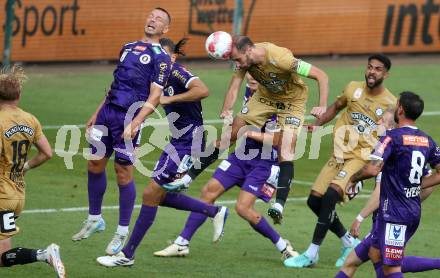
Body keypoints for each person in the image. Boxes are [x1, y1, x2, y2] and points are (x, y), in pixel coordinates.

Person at [165, 35, 329, 225]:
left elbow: (321, 75)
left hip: (293, 101)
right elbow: (235, 86)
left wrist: (322, 105)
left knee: (286, 149)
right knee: (230, 135)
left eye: (237, 59)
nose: (238, 64)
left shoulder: (280, 58)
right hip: (265, 97)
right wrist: (226, 109)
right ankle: (186, 179)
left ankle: (279, 204)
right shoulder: (243, 60)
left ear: (249, 51)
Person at [95, 38, 228, 267]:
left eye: (165, 57)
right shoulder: (153, 77)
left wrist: (170, 98)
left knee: (150, 194)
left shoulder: (177, 72)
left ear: (172, 57)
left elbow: (202, 90)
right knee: (159, 196)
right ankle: (213, 211)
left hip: (190, 140)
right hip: (177, 140)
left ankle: (127, 255)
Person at [153, 74, 298, 261]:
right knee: (208, 192)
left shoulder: (274, 101)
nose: (252, 78)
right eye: (249, 73)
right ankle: (182, 243)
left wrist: (245, 132)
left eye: (257, 75)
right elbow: (234, 85)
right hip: (240, 156)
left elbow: (277, 140)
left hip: (263, 162)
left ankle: (283, 246)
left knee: (243, 208)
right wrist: (227, 111)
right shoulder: (249, 90)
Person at [71, 7, 173, 256]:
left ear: (165, 29)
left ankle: (122, 230)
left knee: (123, 173)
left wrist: (136, 122)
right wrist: (97, 112)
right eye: (151, 15)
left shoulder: (161, 58)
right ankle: (95, 218)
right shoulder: (127, 47)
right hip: (108, 112)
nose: (152, 19)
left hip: (129, 118)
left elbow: (155, 95)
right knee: (94, 164)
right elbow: (114, 85)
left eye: (159, 19)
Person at [284, 54, 397, 268]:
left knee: (330, 197)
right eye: (370, 67)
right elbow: (336, 107)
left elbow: (392, 136)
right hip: (338, 154)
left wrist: (377, 165)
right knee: (314, 201)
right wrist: (319, 124)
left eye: (378, 69)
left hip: (360, 157)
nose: (372, 72)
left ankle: (312, 253)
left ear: (385, 74)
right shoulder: (352, 88)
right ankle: (348, 242)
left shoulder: (390, 103)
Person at [337, 91, 440, 278]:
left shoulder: (391, 137)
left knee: (392, 267)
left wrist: (352, 179)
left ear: (400, 109)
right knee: (372, 254)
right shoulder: (427, 140)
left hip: (395, 214)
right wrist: (416, 185)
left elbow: (371, 169)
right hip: (406, 210)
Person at [0, 66, 65, 277]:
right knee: (3, 255)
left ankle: (44, 254)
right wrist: (24, 167)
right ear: (18, 95)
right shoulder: (30, 119)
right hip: (17, 194)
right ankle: (43, 254)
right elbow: (47, 153)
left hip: (1, 192)